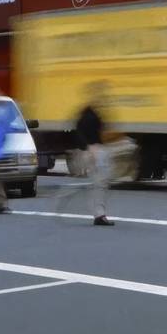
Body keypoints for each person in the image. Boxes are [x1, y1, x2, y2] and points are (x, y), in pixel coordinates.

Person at [76, 81, 114, 226]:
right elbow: (79, 132)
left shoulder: (96, 113)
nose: (102, 97)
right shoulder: (87, 114)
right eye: (99, 94)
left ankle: (100, 213)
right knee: (99, 184)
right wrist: (88, 148)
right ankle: (99, 215)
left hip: (99, 150)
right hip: (93, 151)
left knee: (102, 183)